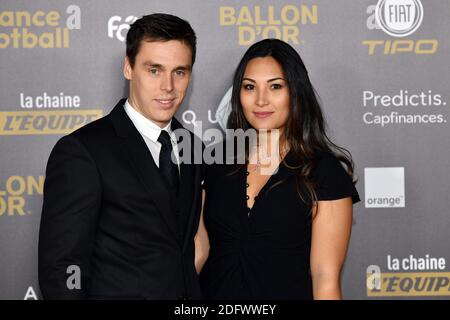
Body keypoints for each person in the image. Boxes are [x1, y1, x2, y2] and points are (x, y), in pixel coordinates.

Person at [38, 13, 203, 299]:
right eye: (154, 70)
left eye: (179, 71)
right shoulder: (84, 151)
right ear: (129, 67)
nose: (168, 86)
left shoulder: (193, 146)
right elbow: (63, 267)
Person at [195, 39, 360, 299]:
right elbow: (199, 250)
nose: (261, 100)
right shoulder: (215, 161)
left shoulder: (324, 173)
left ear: (295, 92)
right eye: (250, 87)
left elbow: (325, 280)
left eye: (275, 86)